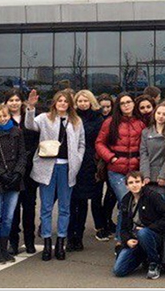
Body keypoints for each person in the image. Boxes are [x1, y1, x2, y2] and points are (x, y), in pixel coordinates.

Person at [25, 88, 86, 261]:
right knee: (46, 207)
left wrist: (78, 158)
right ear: (54, 102)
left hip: (67, 167)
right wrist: (31, 107)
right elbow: (29, 125)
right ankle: (46, 242)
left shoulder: (76, 121)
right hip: (47, 167)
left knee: (65, 208)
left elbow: (82, 143)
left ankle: (60, 242)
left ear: (70, 104)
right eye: (60, 101)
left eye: (65, 101)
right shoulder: (45, 118)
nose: (62, 104)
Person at [95, 92, 146, 253]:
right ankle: (120, 241)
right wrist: (111, 158)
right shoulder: (110, 122)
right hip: (117, 170)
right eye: (123, 103)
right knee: (125, 203)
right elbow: (99, 143)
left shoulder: (141, 123)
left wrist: (141, 161)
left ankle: (132, 240)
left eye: (129, 102)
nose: (126, 105)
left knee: (135, 205)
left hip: (136, 169)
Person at [113, 171, 165, 280]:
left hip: (154, 235)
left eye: (137, 181)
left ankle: (154, 263)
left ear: (143, 183)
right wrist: (127, 240)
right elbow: (123, 227)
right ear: (127, 186)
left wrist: (149, 228)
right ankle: (144, 255)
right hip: (135, 237)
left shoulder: (153, 196)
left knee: (143, 233)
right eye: (131, 183)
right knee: (119, 270)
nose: (134, 185)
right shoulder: (126, 200)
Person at [0, 104, 27, 264]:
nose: (2, 119)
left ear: (9, 116)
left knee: (8, 216)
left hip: (14, 177)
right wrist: (1, 174)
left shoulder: (17, 132)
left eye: (5, 115)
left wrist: (18, 173)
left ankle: (4, 248)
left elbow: (22, 154)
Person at [68, 90, 107, 250]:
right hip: (72, 161)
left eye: (85, 101)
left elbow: (101, 141)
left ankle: (79, 236)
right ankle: (70, 236)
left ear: (91, 102)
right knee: (73, 201)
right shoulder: (71, 117)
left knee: (83, 200)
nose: (83, 104)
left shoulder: (98, 119)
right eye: (80, 101)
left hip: (90, 163)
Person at [5, 89, 39, 255]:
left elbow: (37, 138)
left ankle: (29, 240)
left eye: (17, 100)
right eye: (11, 100)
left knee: (29, 206)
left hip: (30, 169)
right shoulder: (4, 119)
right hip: (11, 170)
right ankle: (13, 241)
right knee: (13, 206)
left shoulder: (30, 118)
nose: (14, 103)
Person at [140, 102, 165, 200]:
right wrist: (145, 175)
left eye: (164, 114)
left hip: (163, 176)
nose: (161, 116)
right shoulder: (146, 132)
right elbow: (143, 154)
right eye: (158, 113)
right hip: (148, 175)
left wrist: (163, 175)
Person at [97, 94, 117, 235]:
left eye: (108, 107)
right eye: (102, 107)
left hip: (111, 159)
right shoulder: (97, 120)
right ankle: (101, 224)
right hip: (98, 160)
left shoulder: (115, 120)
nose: (105, 110)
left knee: (112, 193)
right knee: (97, 194)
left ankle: (107, 219)